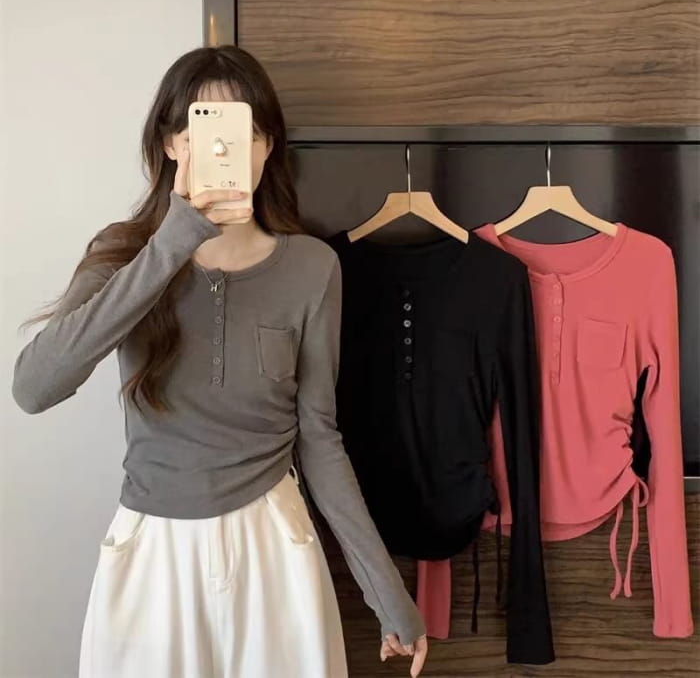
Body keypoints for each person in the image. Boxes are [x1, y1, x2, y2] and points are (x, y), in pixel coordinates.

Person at [12, 45, 428, 678]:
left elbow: (319, 439)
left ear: (267, 146)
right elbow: (35, 387)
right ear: (172, 143)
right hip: (153, 548)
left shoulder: (313, 267)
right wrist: (172, 243)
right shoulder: (123, 255)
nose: (227, 147)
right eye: (204, 126)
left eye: (246, 129)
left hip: (273, 544)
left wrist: (385, 591)